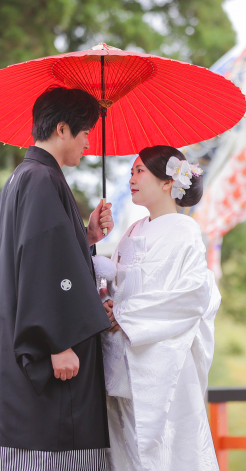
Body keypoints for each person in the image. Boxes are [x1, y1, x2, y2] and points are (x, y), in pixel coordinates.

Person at [0, 86, 115, 470]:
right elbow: (41, 263)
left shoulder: (24, 177)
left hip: (22, 349)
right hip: (48, 358)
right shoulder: (41, 179)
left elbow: (46, 253)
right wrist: (56, 340)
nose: (89, 143)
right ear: (61, 129)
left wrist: (87, 236)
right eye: (86, 132)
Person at [101, 145, 222, 471]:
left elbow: (191, 295)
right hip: (124, 355)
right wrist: (108, 301)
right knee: (127, 451)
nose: (131, 178)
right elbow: (114, 284)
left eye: (140, 170)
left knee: (166, 450)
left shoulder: (186, 231)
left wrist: (124, 314)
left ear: (168, 182)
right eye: (131, 171)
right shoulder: (131, 232)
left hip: (163, 359)